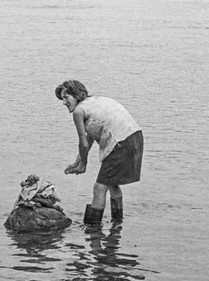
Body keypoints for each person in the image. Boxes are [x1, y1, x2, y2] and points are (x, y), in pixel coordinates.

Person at [55, 79, 143, 226]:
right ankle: (117, 222)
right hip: (135, 137)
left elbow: (83, 142)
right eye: (62, 99)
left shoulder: (78, 111)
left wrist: (83, 164)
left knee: (99, 188)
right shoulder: (95, 102)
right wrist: (79, 159)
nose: (64, 102)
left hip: (120, 142)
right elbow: (90, 135)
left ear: (76, 95)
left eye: (66, 97)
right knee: (111, 182)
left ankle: (93, 229)